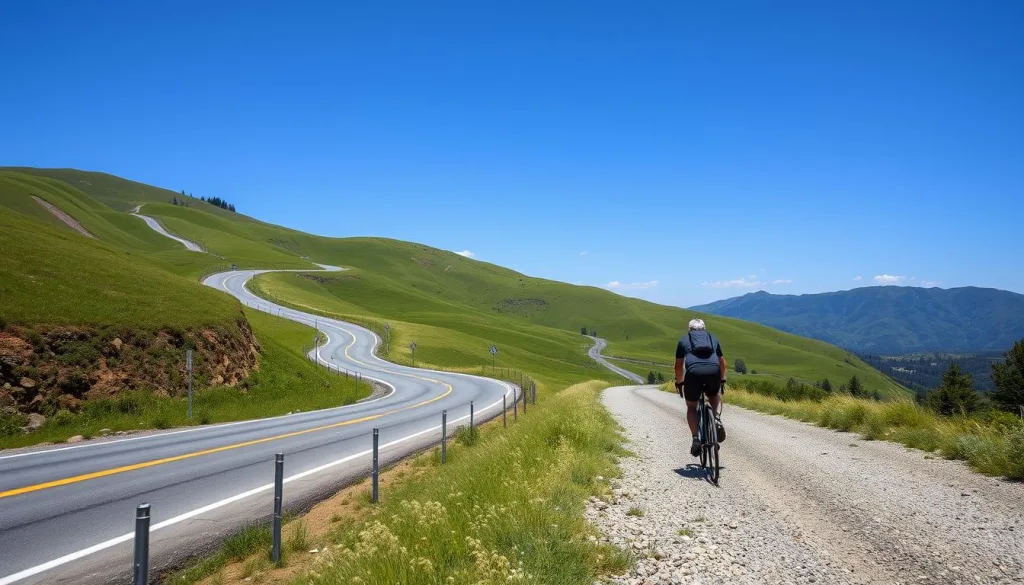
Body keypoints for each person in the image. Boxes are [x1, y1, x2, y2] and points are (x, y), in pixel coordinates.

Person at [674, 319, 727, 457]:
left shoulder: (684, 340)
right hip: (713, 371)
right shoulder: (712, 338)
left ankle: (695, 439)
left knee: (692, 406)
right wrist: (722, 379)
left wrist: (680, 382)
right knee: (714, 395)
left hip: (694, 373)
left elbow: (678, 366)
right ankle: (715, 417)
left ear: (689, 330)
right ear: (704, 329)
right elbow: (722, 362)